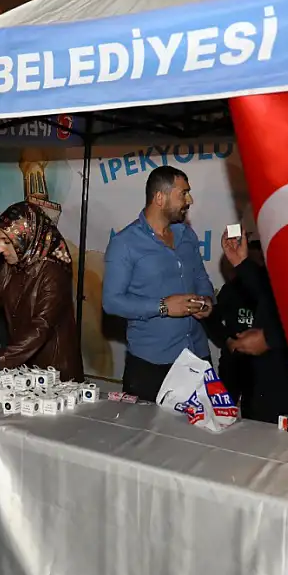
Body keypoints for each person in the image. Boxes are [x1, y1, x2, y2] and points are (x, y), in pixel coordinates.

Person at [103, 166, 215, 402]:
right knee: (148, 437)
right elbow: (111, 302)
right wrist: (163, 307)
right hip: (151, 365)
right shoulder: (125, 243)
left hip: (197, 356)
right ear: (160, 198)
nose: (190, 200)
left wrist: (206, 301)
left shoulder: (187, 236)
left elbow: (202, 279)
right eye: (183, 193)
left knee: (200, 437)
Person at [0, 201, 83, 395]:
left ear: (26, 238)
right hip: (23, 368)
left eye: (7, 242)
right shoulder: (9, 268)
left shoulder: (53, 273)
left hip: (57, 376)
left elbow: (40, 327)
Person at [204, 230, 288, 423]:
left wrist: (270, 339)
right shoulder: (242, 285)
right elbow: (270, 295)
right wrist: (242, 264)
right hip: (258, 386)